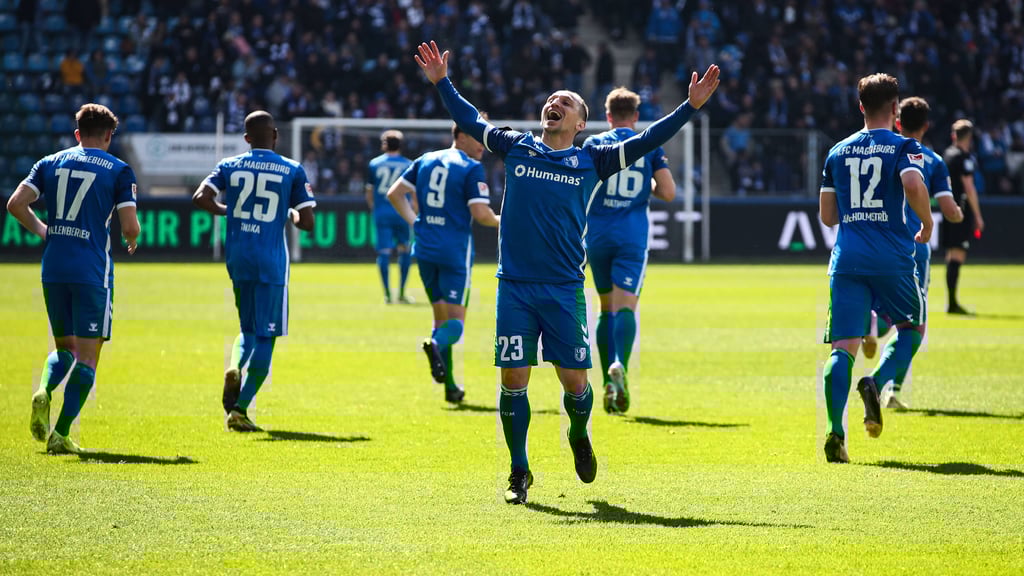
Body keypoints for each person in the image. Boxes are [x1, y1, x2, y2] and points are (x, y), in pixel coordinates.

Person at [415, 40, 719, 503]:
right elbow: (472, 119)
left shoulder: (593, 160)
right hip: (514, 287)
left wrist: (690, 107)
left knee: (574, 382)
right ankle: (519, 471)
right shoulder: (517, 146)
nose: (554, 102)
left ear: (580, 124)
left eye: (567, 102)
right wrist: (442, 82)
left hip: (563, 289)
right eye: (551, 99)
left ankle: (579, 433)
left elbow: (648, 139)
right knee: (513, 381)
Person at [6, 103, 141, 454]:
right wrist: (132, 237)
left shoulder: (49, 162)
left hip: (54, 267)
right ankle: (61, 434)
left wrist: (44, 231)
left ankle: (44, 390)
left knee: (65, 348)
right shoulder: (119, 170)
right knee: (88, 358)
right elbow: (130, 226)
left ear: (78, 133)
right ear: (109, 136)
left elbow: (16, 204)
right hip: (91, 271)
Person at [818, 74, 933, 464]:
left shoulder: (837, 151)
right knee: (912, 329)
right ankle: (877, 381)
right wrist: (927, 222)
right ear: (896, 109)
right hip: (891, 258)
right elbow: (913, 185)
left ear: (860, 106)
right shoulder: (905, 146)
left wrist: (858, 214)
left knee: (842, 348)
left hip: (847, 258)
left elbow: (827, 216)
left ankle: (835, 432)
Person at [192, 111, 316, 432]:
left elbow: (200, 197)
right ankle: (240, 409)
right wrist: (291, 214)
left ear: (246, 138)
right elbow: (308, 223)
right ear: (275, 135)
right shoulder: (291, 169)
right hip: (270, 261)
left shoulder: (229, 165)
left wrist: (228, 211)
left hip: (239, 257)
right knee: (266, 335)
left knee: (246, 328)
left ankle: (234, 365)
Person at [386, 123, 500, 404]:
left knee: (440, 319)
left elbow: (394, 194)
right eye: (478, 137)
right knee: (455, 324)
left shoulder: (426, 159)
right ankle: (434, 344)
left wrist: (416, 222)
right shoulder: (471, 167)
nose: (483, 144)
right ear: (461, 135)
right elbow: (481, 213)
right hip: (454, 251)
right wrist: (506, 221)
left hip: (424, 248)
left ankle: (450, 387)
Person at [862, 97, 963, 409]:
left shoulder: (880, 151)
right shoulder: (932, 161)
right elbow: (948, 209)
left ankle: (871, 326)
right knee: (914, 324)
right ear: (926, 126)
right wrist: (960, 214)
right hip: (914, 247)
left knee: (889, 313)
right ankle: (890, 389)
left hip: (878, 243)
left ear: (898, 122)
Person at [584, 87, 676, 414]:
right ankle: (620, 364)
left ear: (608, 116)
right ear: (636, 116)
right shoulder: (648, 144)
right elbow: (668, 192)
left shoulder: (594, 144)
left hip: (597, 235)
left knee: (605, 307)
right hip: (631, 236)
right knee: (626, 306)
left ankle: (607, 382)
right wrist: (646, 183)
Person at [942, 119, 985, 315]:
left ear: (954, 135)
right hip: (961, 210)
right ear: (969, 137)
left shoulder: (947, 154)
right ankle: (952, 303)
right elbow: (969, 187)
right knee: (958, 254)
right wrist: (978, 215)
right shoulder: (964, 157)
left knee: (951, 254)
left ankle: (951, 301)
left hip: (947, 208)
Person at [366, 130, 414, 304]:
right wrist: (413, 211)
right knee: (405, 250)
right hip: (402, 212)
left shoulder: (374, 164)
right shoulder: (408, 164)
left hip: (382, 212)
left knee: (384, 252)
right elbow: (413, 191)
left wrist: (375, 208)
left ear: (384, 144)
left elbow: (369, 191)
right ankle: (401, 292)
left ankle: (387, 294)